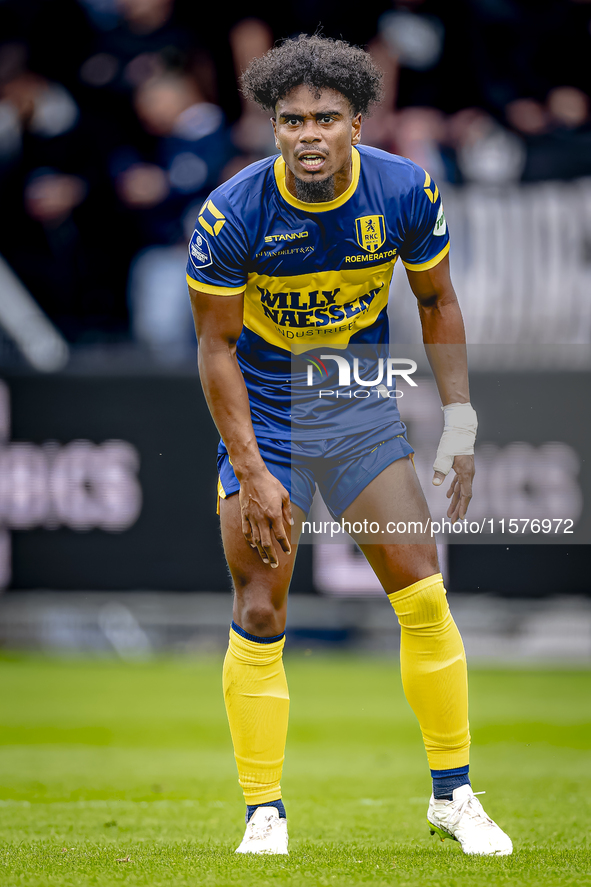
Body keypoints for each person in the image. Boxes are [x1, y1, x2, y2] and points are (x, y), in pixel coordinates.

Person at [186, 34, 512, 858]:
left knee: (423, 594)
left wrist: (461, 424)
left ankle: (454, 795)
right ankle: (264, 811)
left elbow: (437, 300)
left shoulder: (404, 191)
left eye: (324, 118)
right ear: (272, 127)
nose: (306, 134)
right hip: (266, 417)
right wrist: (253, 472)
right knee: (260, 606)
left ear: (357, 124)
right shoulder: (231, 212)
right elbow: (214, 349)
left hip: (355, 404)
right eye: (289, 119)